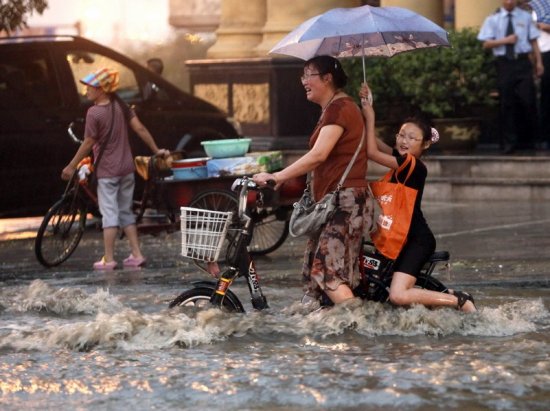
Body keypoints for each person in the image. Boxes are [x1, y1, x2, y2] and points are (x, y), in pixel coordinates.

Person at [253, 55, 372, 305]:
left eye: (309, 75)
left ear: (327, 78)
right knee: (312, 274)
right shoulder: (332, 109)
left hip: (345, 203)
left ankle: (360, 328)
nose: (303, 81)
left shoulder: (341, 108)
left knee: (327, 272)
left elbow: (318, 155)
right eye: (302, 75)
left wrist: (278, 177)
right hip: (330, 203)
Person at [359, 83, 476, 313]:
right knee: (385, 286)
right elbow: (370, 144)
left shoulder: (414, 167)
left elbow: (372, 153)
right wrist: (367, 107)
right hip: (399, 238)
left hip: (416, 241)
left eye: (412, 138)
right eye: (401, 135)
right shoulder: (402, 160)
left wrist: (371, 117)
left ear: (425, 144)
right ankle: (446, 295)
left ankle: (459, 300)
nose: (404, 141)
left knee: (398, 295)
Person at [61, 68, 169, 270]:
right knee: (125, 211)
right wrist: (157, 150)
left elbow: (88, 143)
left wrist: (71, 165)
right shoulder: (121, 105)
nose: (86, 92)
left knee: (109, 214)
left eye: (90, 88)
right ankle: (136, 254)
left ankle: (108, 259)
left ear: (102, 89)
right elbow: (140, 129)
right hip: (127, 169)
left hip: (108, 171)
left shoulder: (94, 113)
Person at [477, 0, 544, 154]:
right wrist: (505, 41)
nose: (509, 1)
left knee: (528, 100)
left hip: (522, 62)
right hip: (504, 64)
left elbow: (533, 41)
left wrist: (539, 63)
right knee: (507, 103)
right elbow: (486, 44)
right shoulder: (493, 19)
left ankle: (530, 141)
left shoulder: (525, 17)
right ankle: (508, 142)